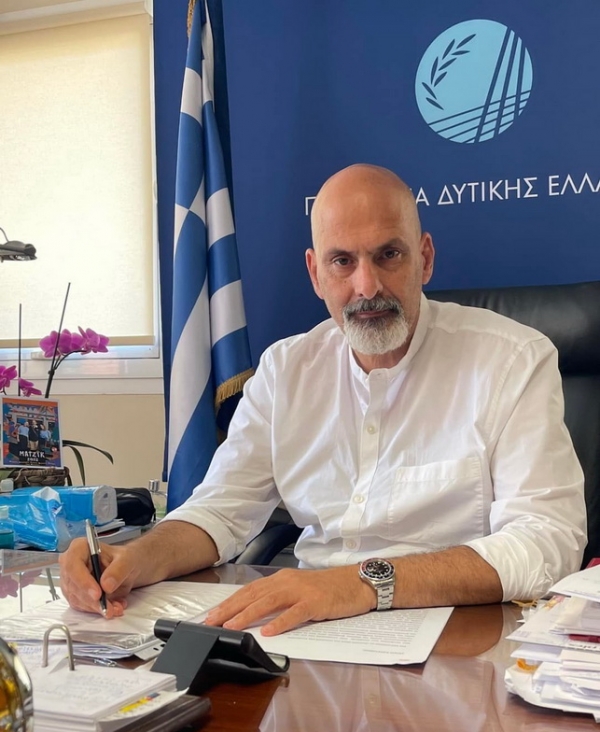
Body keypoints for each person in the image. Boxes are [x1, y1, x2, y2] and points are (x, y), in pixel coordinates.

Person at [59, 164, 586, 636]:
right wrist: (132, 560)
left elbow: (548, 541)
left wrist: (359, 584)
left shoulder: (511, 360)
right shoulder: (286, 369)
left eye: (388, 255)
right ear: (315, 273)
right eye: (342, 261)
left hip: (459, 638)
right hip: (310, 631)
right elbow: (221, 509)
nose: (367, 285)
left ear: (424, 259)